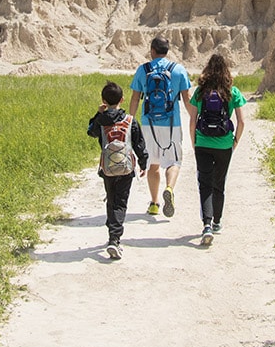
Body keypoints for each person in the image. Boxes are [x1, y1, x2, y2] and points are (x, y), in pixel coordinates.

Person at [127, 36, 195, 218]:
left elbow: (135, 98)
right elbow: (187, 99)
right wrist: (195, 118)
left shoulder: (143, 70)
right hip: (172, 124)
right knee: (173, 161)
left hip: (148, 124)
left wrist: (129, 121)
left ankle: (155, 203)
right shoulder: (178, 70)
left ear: (152, 50)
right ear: (168, 50)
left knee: (153, 165)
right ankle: (170, 189)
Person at [188, 53, 246, 246]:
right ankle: (217, 222)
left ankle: (206, 224)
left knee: (204, 184)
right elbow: (241, 121)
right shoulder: (232, 92)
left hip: (203, 143)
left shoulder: (200, 91)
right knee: (219, 184)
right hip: (224, 144)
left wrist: (194, 141)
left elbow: (192, 120)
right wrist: (234, 142)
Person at [87, 81, 148, 260]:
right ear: (122, 99)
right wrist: (144, 164)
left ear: (103, 100)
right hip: (126, 168)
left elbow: (91, 132)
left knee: (111, 198)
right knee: (121, 202)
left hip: (107, 168)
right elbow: (139, 145)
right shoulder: (130, 120)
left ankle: (111, 230)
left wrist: (98, 114)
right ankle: (115, 239)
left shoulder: (101, 120)